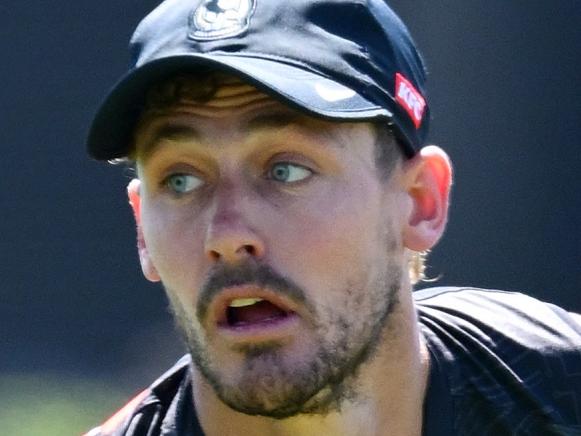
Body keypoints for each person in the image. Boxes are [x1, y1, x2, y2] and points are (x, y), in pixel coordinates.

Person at [85, 1, 581, 435]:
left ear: (419, 201)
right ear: (142, 229)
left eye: (286, 170)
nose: (229, 235)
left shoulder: (558, 389)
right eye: (181, 181)